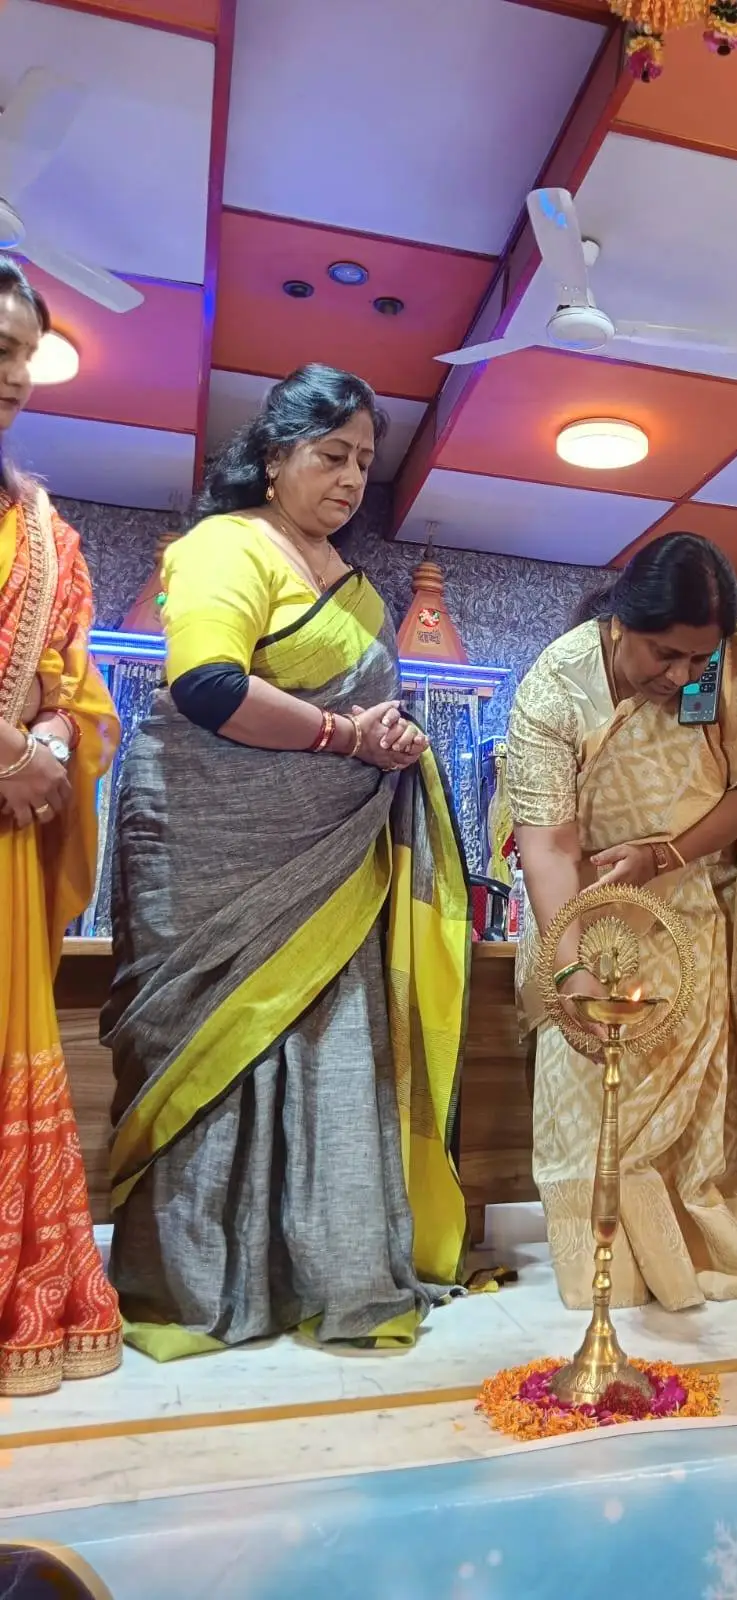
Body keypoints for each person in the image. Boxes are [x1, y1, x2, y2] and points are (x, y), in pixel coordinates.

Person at [103, 364, 472, 1358]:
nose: (351, 479)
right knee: (214, 1050)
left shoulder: (353, 588)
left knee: (333, 1047)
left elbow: (364, 710)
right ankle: (199, 1284)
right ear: (274, 456)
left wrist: (391, 735)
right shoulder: (227, 545)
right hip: (215, 846)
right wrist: (346, 737)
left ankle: (332, 1270)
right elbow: (209, 686)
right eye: (331, 455)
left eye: (364, 462)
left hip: (332, 857)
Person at [508, 532, 737, 1311]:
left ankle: (692, 1254)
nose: (679, 675)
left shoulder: (733, 670)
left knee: (692, 1115)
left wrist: (665, 854)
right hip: (582, 919)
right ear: (621, 623)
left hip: (687, 918)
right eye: (663, 654)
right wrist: (570, 969)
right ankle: (606, 1276)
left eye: (697, 658)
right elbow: (550, 844)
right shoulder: (556, 686)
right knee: (587, 1109)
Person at [0, 255, 122, 1395]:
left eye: (24, 356)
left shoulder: (47, 538)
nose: (13, 375)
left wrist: (44, 747)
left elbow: (76, 686)